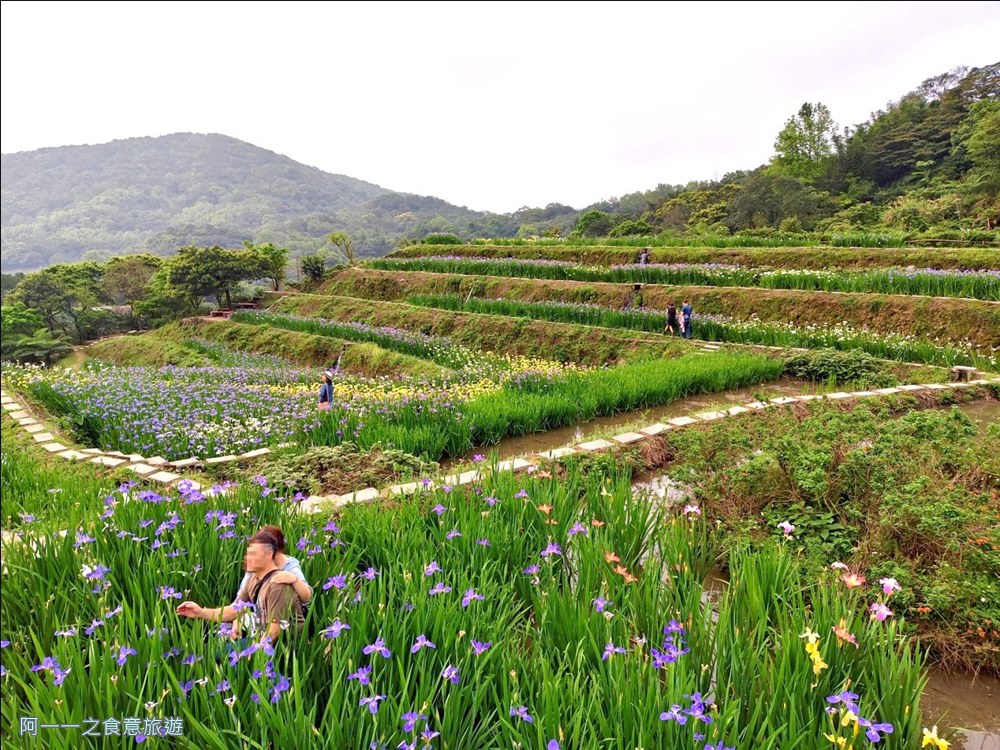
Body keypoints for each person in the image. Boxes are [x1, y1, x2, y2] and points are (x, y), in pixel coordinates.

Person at [176, 531, 305, 645]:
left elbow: (274, 633)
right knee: (213, 646)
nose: (247, 558)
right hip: (260, 634)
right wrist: (200, 612)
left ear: (269, 555)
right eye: (248, 553)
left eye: (253, 554)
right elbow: (234, 610)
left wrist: (252, 658)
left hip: (285, 645)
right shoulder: (253, 579)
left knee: (225, 659)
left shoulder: (278, 585)